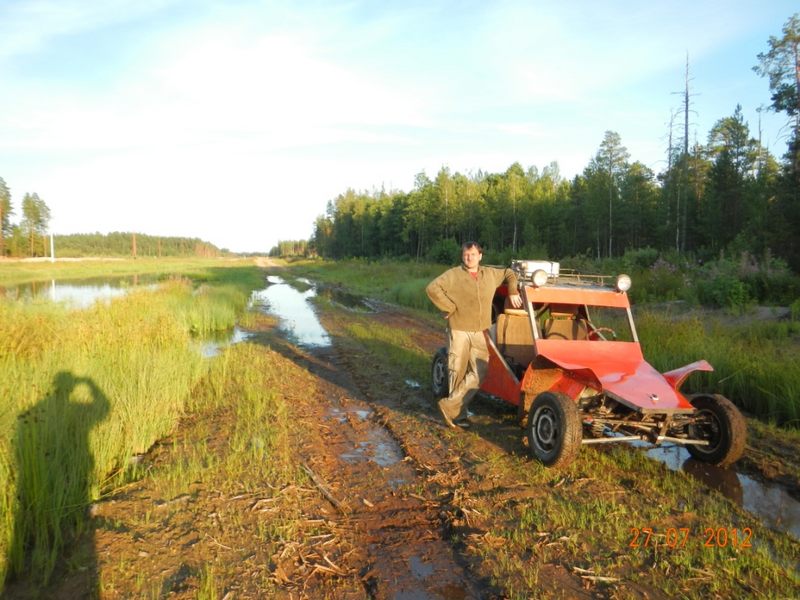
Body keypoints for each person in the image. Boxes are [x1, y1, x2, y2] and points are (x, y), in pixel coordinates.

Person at [426, 241, 522, 428]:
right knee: (457, 370)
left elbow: (510, 273)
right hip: (459, 329)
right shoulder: (453, 274)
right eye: (465, 254)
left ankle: (448, 406)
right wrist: (449, 307)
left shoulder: (490, 274)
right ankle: (458, 416)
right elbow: (432, 288)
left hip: (480, 331)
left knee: (481, 369)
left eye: (472, 254)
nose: (468, 258)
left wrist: (512, 291)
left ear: (480, 256)